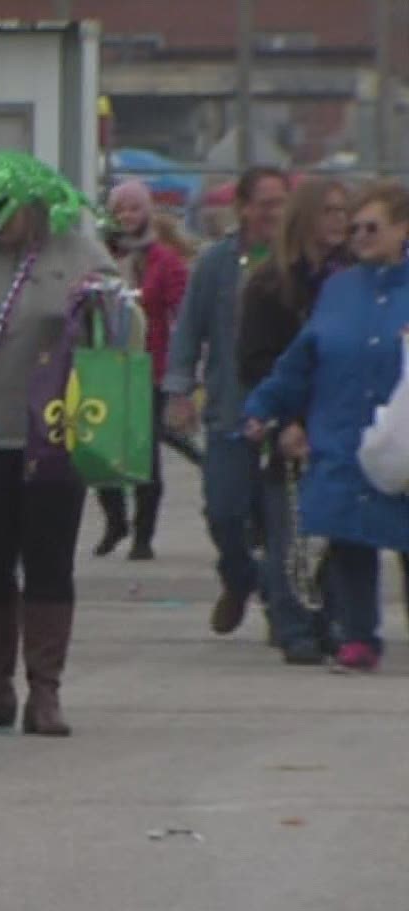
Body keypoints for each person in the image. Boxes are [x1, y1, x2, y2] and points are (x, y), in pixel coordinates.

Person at [0, 152, 132, 739]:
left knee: (48, 561)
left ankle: (46, 691)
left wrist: (100, 309)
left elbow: (121, 320)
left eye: (6, 210)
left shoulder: (74, 250)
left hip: (54, 431)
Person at [243, 182, 409, 673]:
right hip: (343, 432)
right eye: (354, 227)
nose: (358, 235)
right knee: (349, 538)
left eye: (371, 227)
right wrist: (267, 407)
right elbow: (303, 357)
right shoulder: (339, 289)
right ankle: (359, 638)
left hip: (402, 438)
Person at [163, 167, 292, 637]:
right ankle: (240, 580)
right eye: (265, 203)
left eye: (282, 203)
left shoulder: (298, 261)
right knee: (225, 511)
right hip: (229, 408)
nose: (274, 213)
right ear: (243, 207)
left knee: (280, 522)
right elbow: (189, 331)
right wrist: (179, 392)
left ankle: (284, 610)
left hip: (285, 412)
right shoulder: (217, 263)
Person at [238, 179, 352, 666]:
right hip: (288, 423)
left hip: (340, 421)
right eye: (329, 211)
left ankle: (331, 621)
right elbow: (256, 359)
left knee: (335, 533)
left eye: (344, 211)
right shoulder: (270, 285)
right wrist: (281, 419)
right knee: (289, 531)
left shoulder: (351, 280)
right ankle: (293, 624)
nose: (339, 221)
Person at [92, 180, 191, 562]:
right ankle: (115, 521)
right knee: (100, 454)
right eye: (121, 209)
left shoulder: (164, 261)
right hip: (103, 366)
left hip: (148, 368)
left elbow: (180, 310)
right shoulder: (99, 255)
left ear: (147, 212)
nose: (128, 216)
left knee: (144, 456)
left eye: (134, 208)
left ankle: (142, 535)